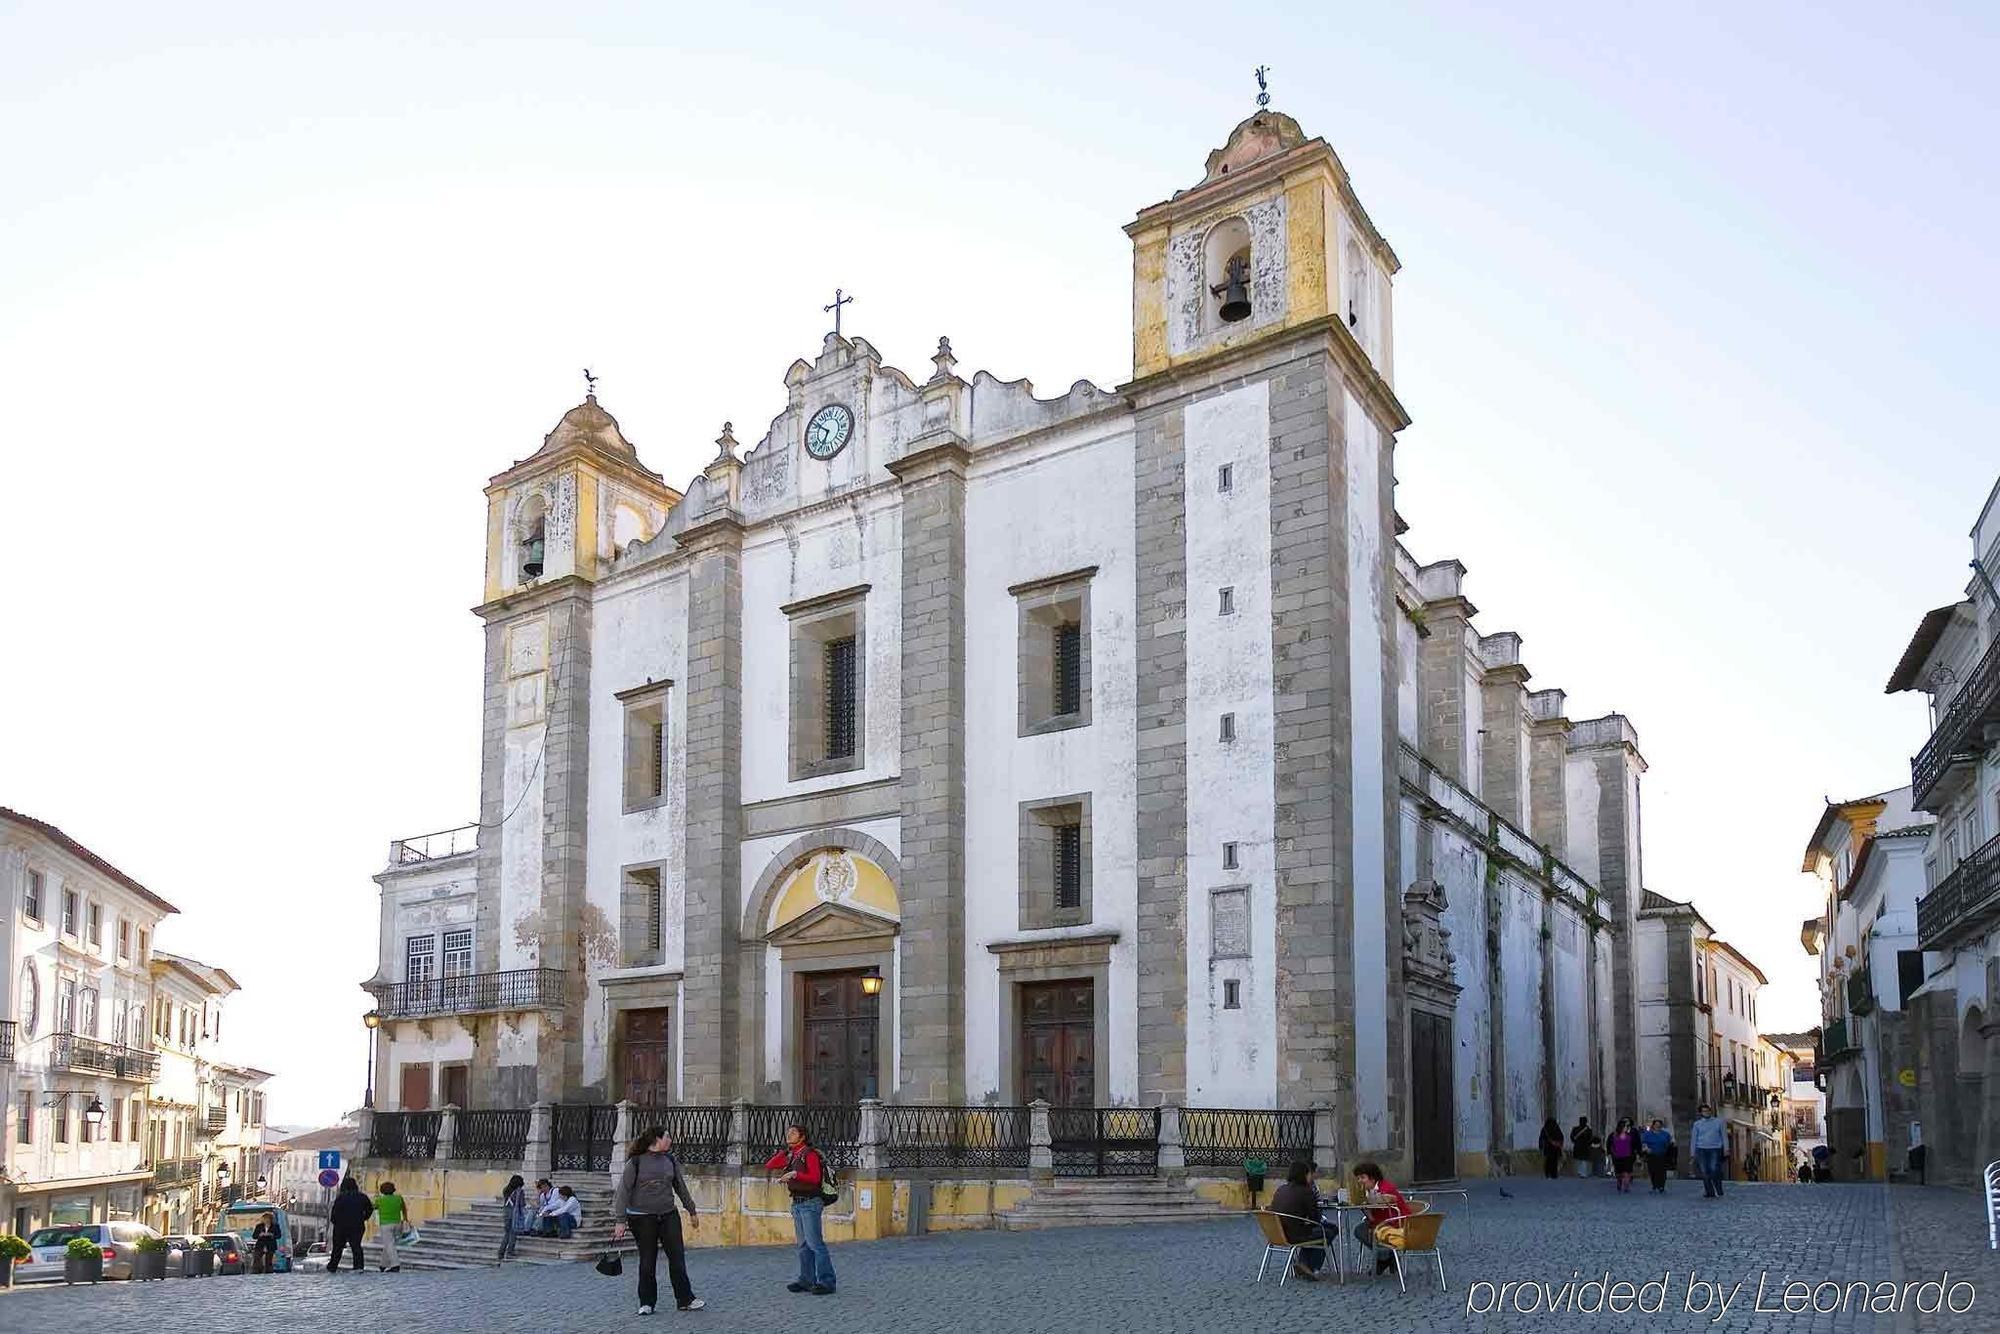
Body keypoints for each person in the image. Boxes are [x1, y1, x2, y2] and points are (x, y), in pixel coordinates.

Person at [612, 1126, 704, 1315]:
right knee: (647, 1261)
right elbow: (622, 1193)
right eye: (667, 1137)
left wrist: (692, 1210)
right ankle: (646, 1302)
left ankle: (685, 1299)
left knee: (677, 1259)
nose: (670, 1140)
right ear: (657, 1139)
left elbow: (680, 1187)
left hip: (668, 1215)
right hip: (642, 1219)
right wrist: (620, 1220)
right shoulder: (635, 1163)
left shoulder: (670, 1160)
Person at [764, 1122, 836, 1296]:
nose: (789, 1135)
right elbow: (770, 1165)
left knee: (815, 1244)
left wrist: (795, 1174)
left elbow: (814, 1178)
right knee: (803, 1245)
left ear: (802, 1137)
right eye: (788, 1132)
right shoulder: (792, 1154)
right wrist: (785, 1150)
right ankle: (806, 1279)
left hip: (810, 1202)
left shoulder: (809, 1154)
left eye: (793, 1133)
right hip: (797, 1203)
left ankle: (827, 1281)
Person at [1268, 1160, 1328, 1280]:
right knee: (1328, 1231)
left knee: (1319, 1231)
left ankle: (1303, 1264)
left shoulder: (1280, 1189)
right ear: (1305, 1175)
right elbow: (1315, 1218)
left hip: (1277, 1234)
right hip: (1295, 1235)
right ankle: (1309, 1266)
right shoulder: (1306, 1191)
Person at [1350, 1161, 1411, 1277]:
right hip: (1379, 1222)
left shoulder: (1385, 1187)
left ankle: (1385, 1258)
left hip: (1396, 1223)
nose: (1360, 1181)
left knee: (1365, 1231)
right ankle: (1387, 1257)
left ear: (1372, 1178)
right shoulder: (1366, 1192)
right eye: (1358, 1178)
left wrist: (1370, 1200)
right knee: (1360, 1230)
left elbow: (1390, 1198)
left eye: (1362, 1177)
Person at [327, 1176, 374, 1273]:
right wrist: (364, 1218)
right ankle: (358, 1266)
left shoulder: (341, 1198)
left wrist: (336, 1222)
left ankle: (333, 1266)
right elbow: (370, 1209)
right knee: (356, 1246)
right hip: (357, 1225)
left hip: (341, 1226)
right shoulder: (362, 1197)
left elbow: (334, 1213)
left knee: (337, 1248)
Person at [1690, 1104, 1728, 1198]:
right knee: (1704, 1171)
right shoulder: (1697, 1124)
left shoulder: (1719, 1122)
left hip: (1715, 1148)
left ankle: (1718, 1189)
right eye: (1704, 1111)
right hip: (1701, 1149)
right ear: (1701, 1113)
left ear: (1710, 1111)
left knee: (1714, 1169)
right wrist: (1692, 1153)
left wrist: (1726, 1149)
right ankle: (1709, 1191)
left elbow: (1724, 1136)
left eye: (1707, 1111)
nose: (1706, 1113)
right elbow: (1694, 1139)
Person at [373, 1182, 405, 1272]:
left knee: (389, 1244)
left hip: (385, 1224)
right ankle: (383, 1265)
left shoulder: (380, 1200)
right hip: (398, 1223)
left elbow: (373, 1207)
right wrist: (405, 1219)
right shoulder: (399, 1198)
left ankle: (395, 1264)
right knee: (389, 1244)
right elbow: (404, 1209)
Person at [498, 1174, 528, 1262]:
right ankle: (510, 1251)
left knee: (507, 1233)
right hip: (514, 1213)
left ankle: (501, 1252)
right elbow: (522, 1204)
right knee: (513, 1232)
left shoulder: (506, 1190)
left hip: (506, 1212)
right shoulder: (519, 1191)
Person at [1640, 1118, 1675, 1194]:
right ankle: (1655, 1186)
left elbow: (1670, 1143)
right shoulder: (1647, 1134)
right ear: (1653, 1125)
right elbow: (1644, 1143)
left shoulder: (1665, 1134)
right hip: (1651, 1155)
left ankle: (1661, 1186)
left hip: (1662, 1155)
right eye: (1656, 1125)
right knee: (1652, 1171)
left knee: (1662, 1171)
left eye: (1659, 1125)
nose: (1657, 1126)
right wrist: (1646, 1149)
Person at [1606, 1118, 1639, 1193]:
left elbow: (1635, 1144)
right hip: (1617, 1156)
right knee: (1619, 1172)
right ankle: (1619, 1181)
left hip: (1628, 1156)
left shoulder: (1630, 1135)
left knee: (1627, 1171)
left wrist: (1636, 1152)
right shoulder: (1613, 1135)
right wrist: (1610, 1153)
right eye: (1625, 1127)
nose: (1627, 1128)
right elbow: (1609, 1144)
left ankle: (1626, 1185)